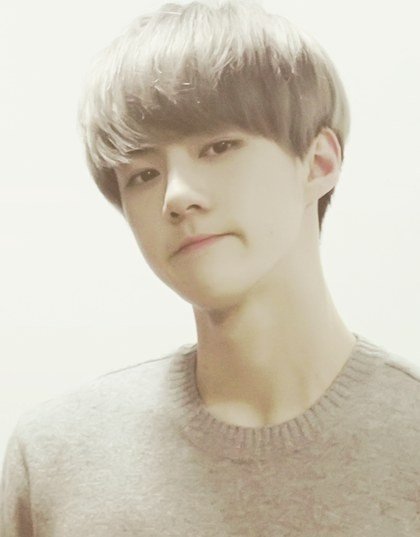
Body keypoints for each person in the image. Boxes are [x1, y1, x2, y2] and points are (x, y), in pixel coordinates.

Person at [2, 1, 420, 535]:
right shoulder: (55, 458)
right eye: (143, 174)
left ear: (319, 163)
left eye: (218, 147)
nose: (176, 195)